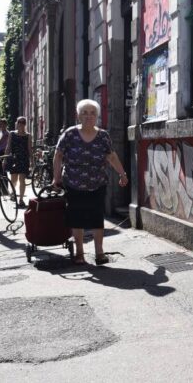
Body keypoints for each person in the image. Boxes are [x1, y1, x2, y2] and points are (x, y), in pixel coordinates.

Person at [52, 99, 128, 265]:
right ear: (78, 115)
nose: (88, 116)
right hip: (73, 184)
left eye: (92, 113)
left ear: (97, 116)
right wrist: (56, 178)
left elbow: (111, 156)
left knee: (96, 218)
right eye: (84, 113)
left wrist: (122, 174)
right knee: (77, 218)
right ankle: (80, 252)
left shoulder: (103, 136)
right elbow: (58, 156)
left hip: (97, 184)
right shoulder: (70, 134)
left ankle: (99, 253)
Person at [6, 116, 32, 207]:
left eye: (22, 123)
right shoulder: (12, 134)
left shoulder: (28, 136)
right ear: (16, 124)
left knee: (22, 180)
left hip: (24, 159)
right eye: (19, 123)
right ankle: (13, 193)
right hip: (14, 159)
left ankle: (20, 200)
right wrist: (5, 159)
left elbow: (29, 149)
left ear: (25, 124)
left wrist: (32, 161)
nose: (20, 125)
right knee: (14, 180)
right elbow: (8, 147)